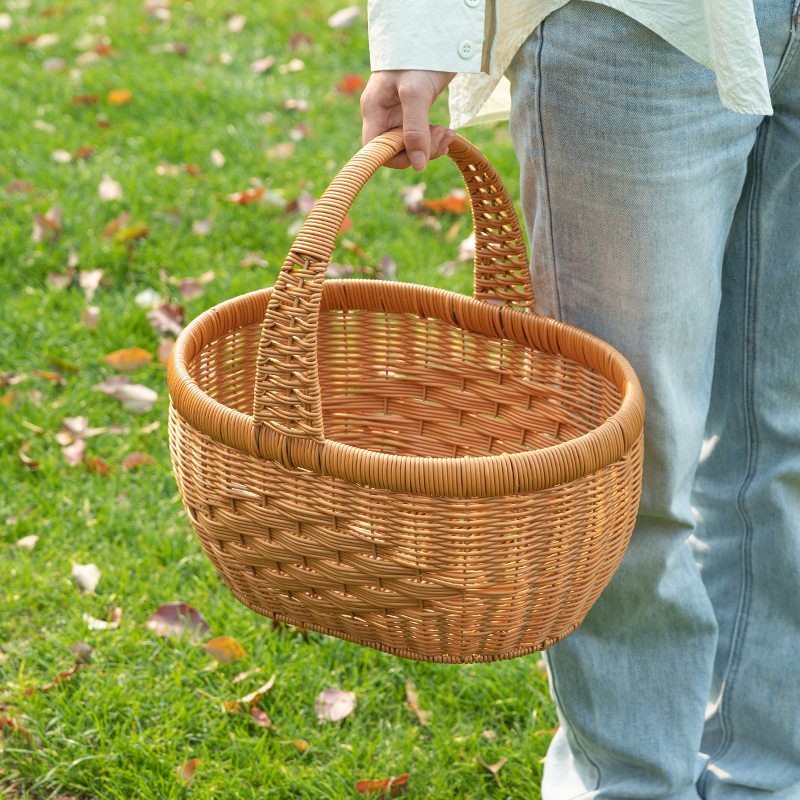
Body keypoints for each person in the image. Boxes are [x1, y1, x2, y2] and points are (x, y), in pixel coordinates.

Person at [360, 1, 800, 797]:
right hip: (640, 26)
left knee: (786, 453)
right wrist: (421, 29)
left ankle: (769, 782)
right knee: (624, 473)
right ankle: (634, 785)